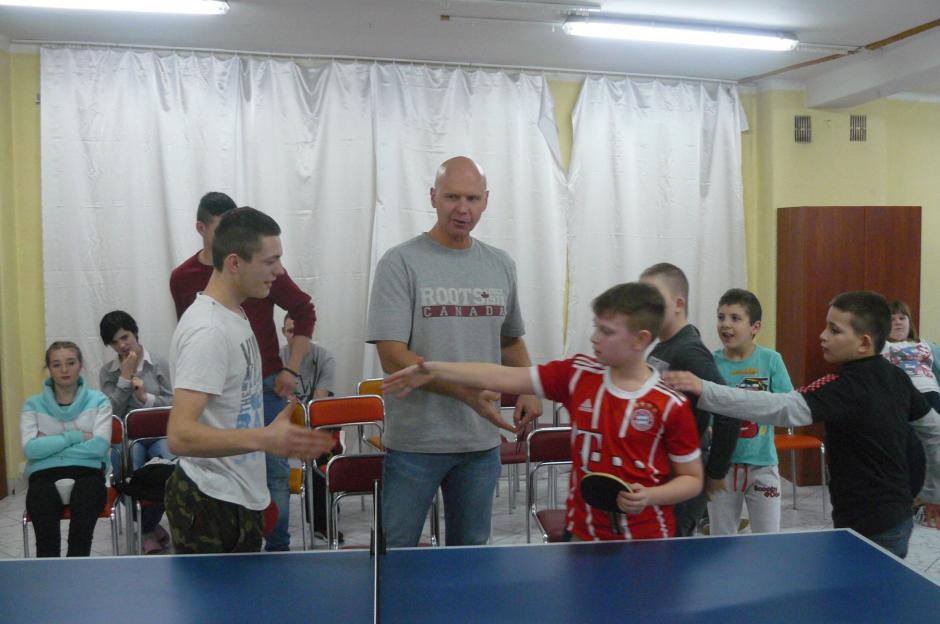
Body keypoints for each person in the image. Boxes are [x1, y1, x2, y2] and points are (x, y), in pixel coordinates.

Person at [383, 282, 703, 540]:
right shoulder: (577, 374)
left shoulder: (670, 404)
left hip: (649, 542)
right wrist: (435, 369)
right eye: (596, 327)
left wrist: (651, 496)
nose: (594, 337)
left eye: (607, 331)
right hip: (582, 537)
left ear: (640, 339)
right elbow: (501, 375)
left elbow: (692, 479)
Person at [664, 291, 940, 558]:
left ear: (864, 343)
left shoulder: (842, 388)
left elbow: (783, 407)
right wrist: (932, 492)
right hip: (898, 518)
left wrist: (706, 389)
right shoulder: (897, 376)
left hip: (867, 524)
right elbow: (934, 429)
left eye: (834, 330)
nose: (823, 335)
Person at [367, 156, 542, 548]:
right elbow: (392, 355)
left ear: (486, 201)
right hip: (416, 443)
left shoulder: (500, 264)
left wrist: (528, 386)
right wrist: (465, 393)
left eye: (472, 198)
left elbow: (509, 339)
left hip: (480, 445)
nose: (463, 208)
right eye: (452, 197)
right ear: (433, 196)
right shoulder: (400, 262)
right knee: (395, 553)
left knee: (471, 554)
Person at [165, 206, 334, 554]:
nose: (279, 271)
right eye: (270, 261)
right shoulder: (208, 331)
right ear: (234, 263)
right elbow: (180, 436)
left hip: (237, 496)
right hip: (210, 501)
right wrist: (264, 438)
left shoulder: (235, 313)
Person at [639, 263, 739, 536]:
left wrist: (715, 472)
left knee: (672, 550)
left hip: (683, 473)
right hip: (663, 470)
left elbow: (728, 410)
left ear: (678, 303)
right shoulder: (663, 346)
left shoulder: (689, 351)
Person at [708, 289, 792, 535]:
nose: (725, 324)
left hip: (763, 466)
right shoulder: (709, 362)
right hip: (721, 469)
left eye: (735, 318)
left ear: (755, 327)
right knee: (720, 542)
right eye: (721, 317)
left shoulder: (771, 360)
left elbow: (788, 406)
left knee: (768, 540)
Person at [21, 342, 112, 557]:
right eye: (56, 364)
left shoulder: (99, 401)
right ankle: (50, 576)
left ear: (80, 365)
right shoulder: (32, 405)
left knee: (81, 538)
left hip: (89, 473)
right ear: (49, 368)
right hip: (43, 475)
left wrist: (48, 445)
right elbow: (31, 450)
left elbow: (99, 447)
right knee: (46, 541)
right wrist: (77, 437)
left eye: (70, 363)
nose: (64, 369)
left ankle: (75, 573)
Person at [98, 310, 175, 554]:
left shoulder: (158, 363)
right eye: (115, 342)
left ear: (135, 333)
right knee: (127, 471)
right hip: (128, 437)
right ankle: (147, 529)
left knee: (170, 469)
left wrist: (145, 397)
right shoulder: (108, 372)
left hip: (160, 433)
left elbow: (173, 403)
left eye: (125, 337)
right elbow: (111, 412)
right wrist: (123, 378)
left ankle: (147, 526)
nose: (122, 345)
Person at [883, 299, 940, 413]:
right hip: (900, 397)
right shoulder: (880, 346)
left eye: (902, 318)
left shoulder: (927, 344)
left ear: (909, 322)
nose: (898, 322)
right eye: (892, 319)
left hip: (931, 393)